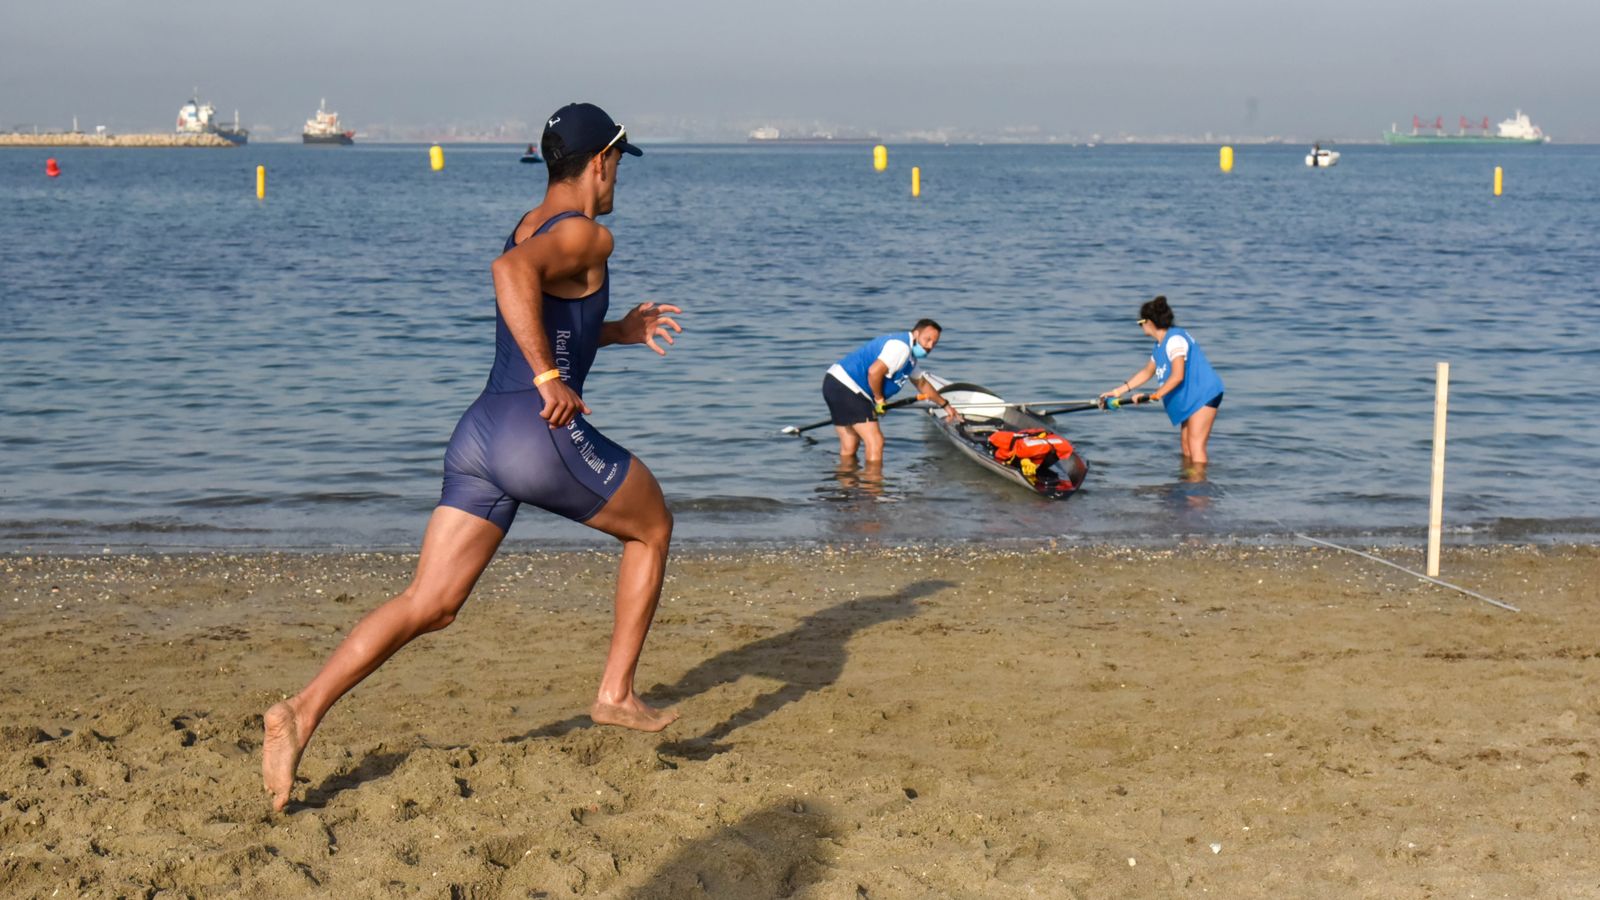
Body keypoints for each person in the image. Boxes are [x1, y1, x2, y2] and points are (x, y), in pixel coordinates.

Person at [262, 102, 684, 812]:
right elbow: (510, 274)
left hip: (482, 433)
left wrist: (616, 331)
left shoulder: (535, 220)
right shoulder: (589, 233)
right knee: (654, 526)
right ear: (601, 161)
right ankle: (614, 693)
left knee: (430, 603)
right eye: (617, 162)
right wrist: (552, 380)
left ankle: (300, 712)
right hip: (534, 430)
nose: (618, 179)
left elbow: (550, 310)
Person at [1099, 295, 1224, 465]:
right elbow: (1147, 372)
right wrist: (1116, 392)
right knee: (1186, 446)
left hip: (1204, 394)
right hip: (1191, 395)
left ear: (1149, 322)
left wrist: (1155, 395)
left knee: (1196, 445)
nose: (1140, 326)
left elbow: (1177, 376)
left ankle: (1199, 488)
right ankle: (1187, 483)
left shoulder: (1174, 340)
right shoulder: (1160, 345)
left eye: (1140, 322)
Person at [822, 319, 960, 462]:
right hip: (848, 387)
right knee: (876, 442)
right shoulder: (901, 348)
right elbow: (874, 372)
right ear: (916, 333)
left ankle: (846, 480)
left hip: (833, 382)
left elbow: (922, 383)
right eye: (927, 339)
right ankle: (874, 484)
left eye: (934, 343)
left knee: (850, 444)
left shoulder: (910, 357)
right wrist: (879, 399)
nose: (930, 346)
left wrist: (945, 405)